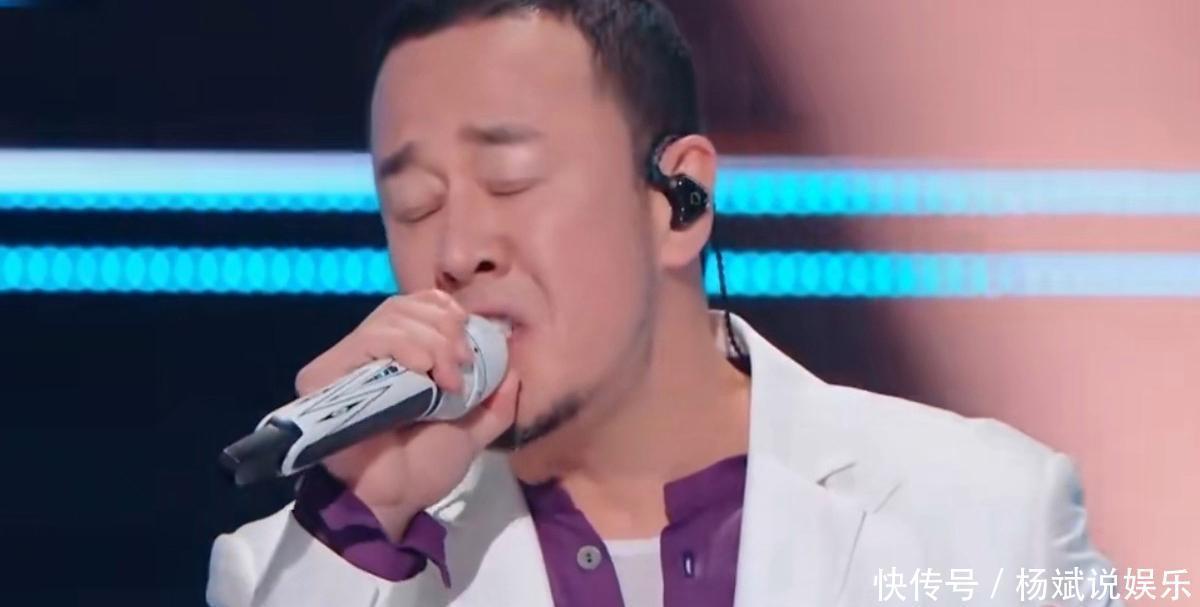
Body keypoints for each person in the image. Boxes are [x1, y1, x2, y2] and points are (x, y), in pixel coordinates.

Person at [207, 1, 1121, 605]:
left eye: (510, 178)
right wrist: (366, 518)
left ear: (679, 200)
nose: (455, 251)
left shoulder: (991, 514)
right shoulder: (308, 568)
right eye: (415, 205)